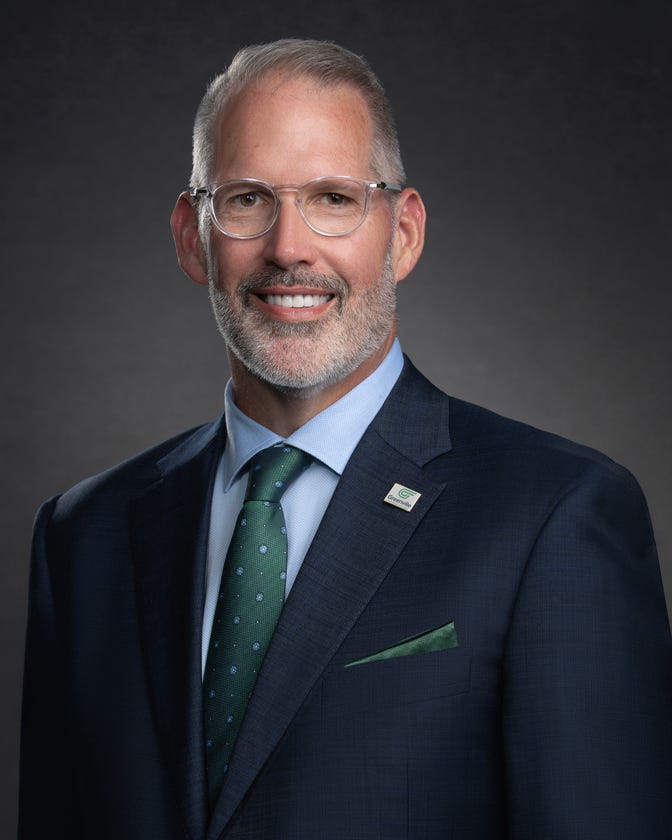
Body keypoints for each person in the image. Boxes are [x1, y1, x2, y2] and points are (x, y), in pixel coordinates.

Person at [20, 38, 672, 840]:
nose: (288, 247)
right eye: (248, 199)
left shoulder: (554, 515)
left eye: (334, 199)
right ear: (192, 235)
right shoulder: (83, 537)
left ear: (404, 233)